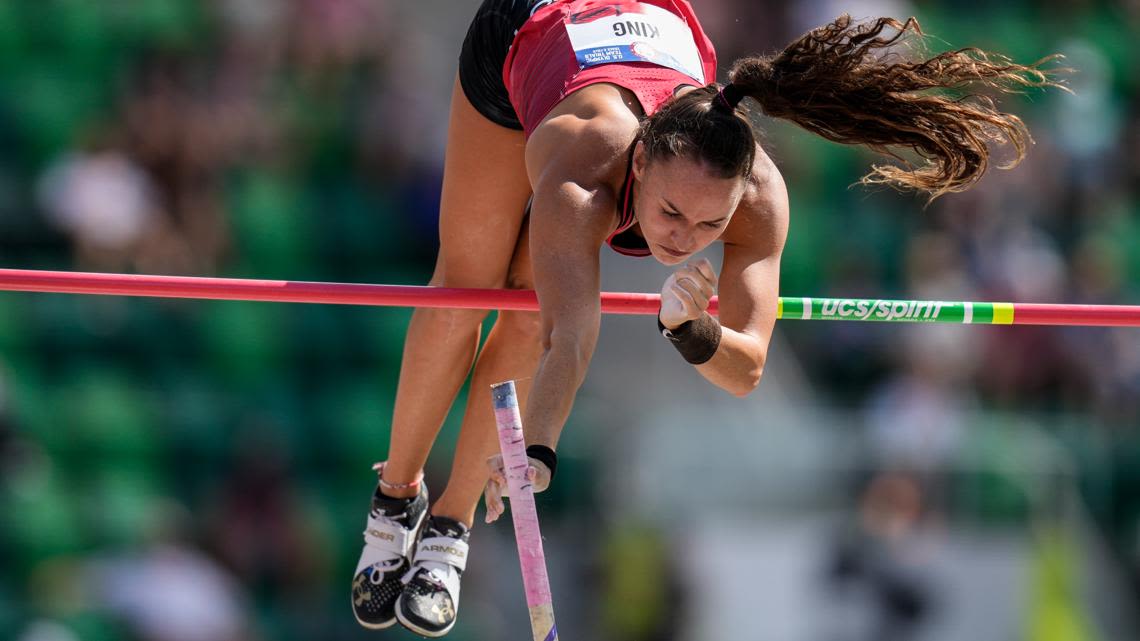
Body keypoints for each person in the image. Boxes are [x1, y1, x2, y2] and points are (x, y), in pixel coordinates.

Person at [350, 0, 1060, 636]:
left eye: (706, 222)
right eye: (668, 213)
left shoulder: (759, 200)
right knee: (473, 289)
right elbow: (573, 333)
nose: (683, 239)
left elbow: (747, 367)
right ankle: (395, 500)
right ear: (643, 165)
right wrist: (536, 448)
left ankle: (450, 529)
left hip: (646, 24)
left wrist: (697, 331)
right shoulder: (584, 172)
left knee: (528, 312)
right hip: (526, 37)